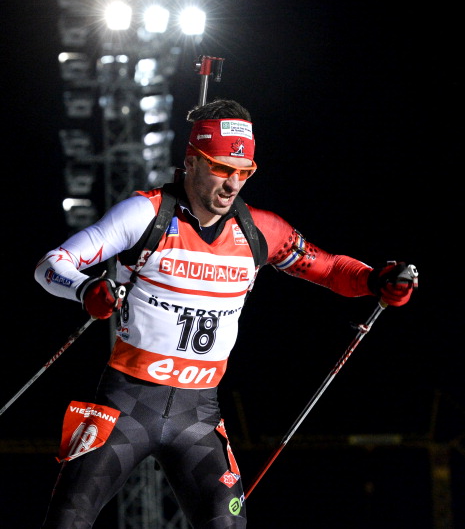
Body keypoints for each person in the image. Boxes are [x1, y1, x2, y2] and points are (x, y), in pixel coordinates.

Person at [34, 98, 415, 528]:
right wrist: (87, 290)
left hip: (197, 416)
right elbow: (51, 265)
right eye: (221, 168)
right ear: (193, 161)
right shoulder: (146, 213)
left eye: (244, 172)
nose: (233, 184)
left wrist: (375, 280)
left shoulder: (260, 231)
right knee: (68, 519)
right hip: (127, 403)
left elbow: (328, 269)